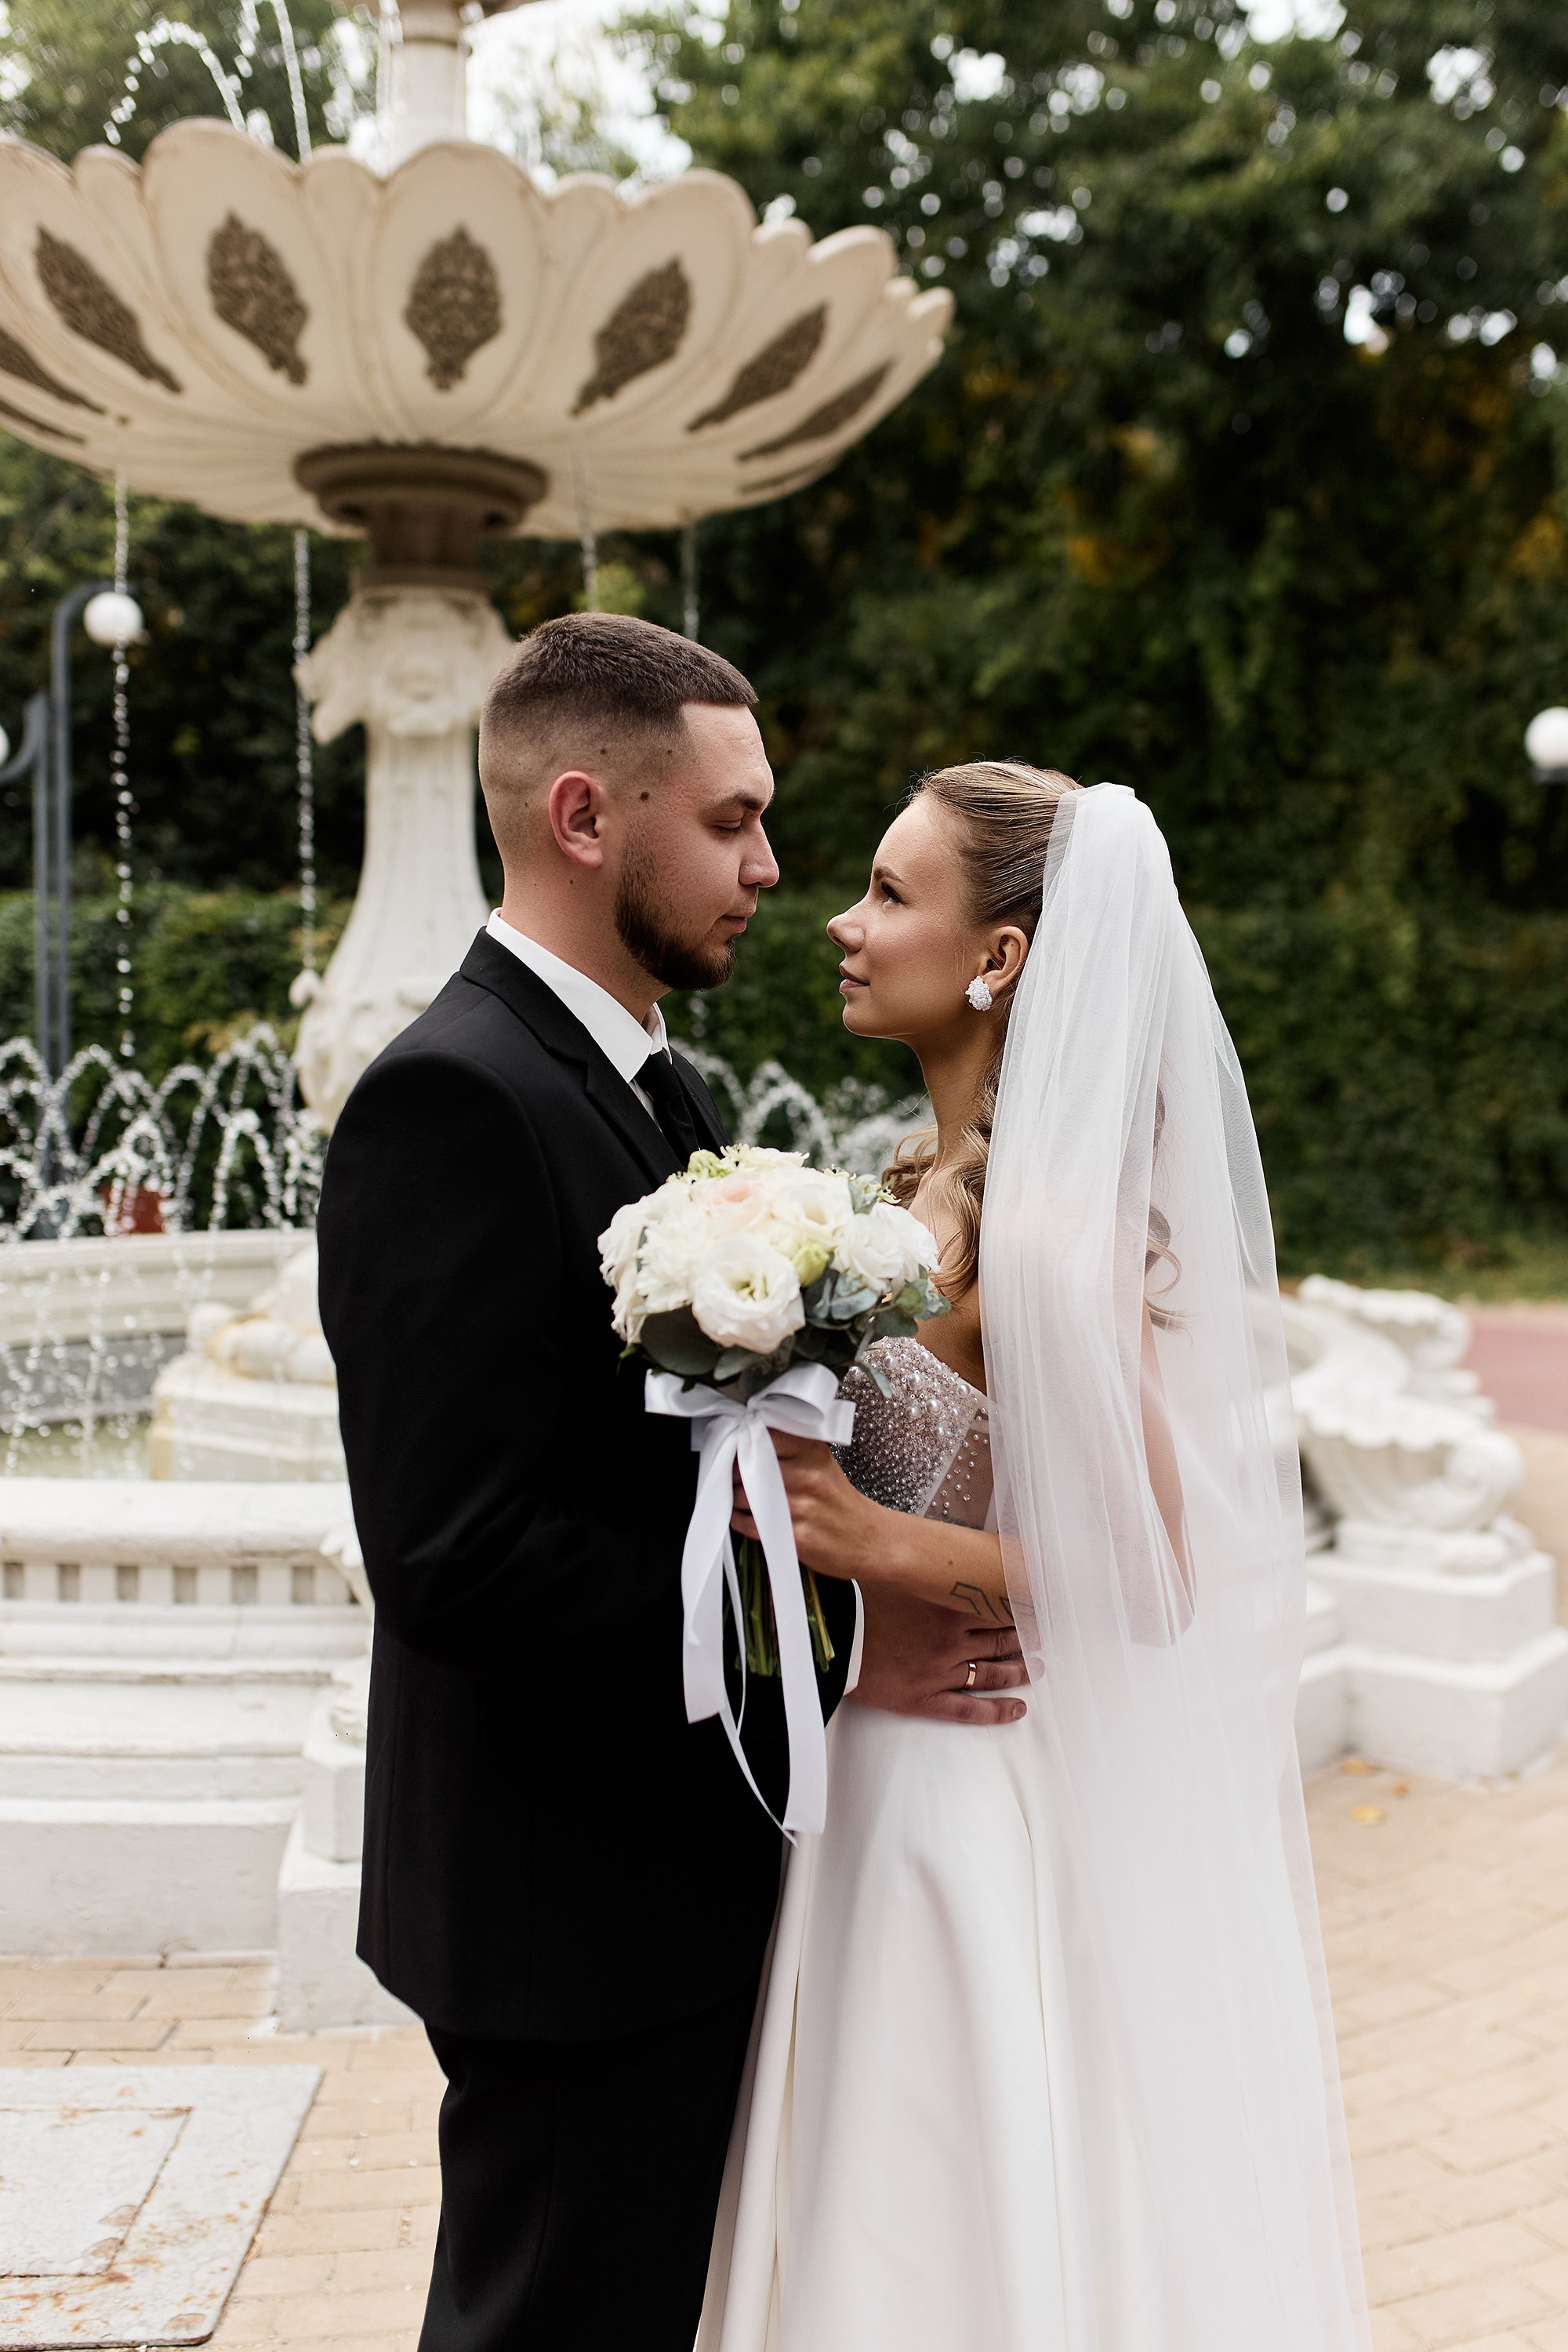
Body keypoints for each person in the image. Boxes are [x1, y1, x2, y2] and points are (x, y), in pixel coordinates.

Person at [314, 615, 1029, 2352]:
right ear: (584, 817)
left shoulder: (652, 1080)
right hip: (566, 1912)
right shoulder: (450, 1098)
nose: (772, 868)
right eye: (731, 822)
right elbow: (456, 1556)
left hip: (668, 1882)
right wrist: (840, 1642)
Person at [702, 764, 1370, 2352]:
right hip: (878, 1759)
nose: (844, 923)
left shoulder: (1050, 1229)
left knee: (944, 2195)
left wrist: (874, 1540)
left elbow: (1156, 1572)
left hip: (964, 1787)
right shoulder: (906, 1186)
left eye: (889, 894)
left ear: (997, 958)